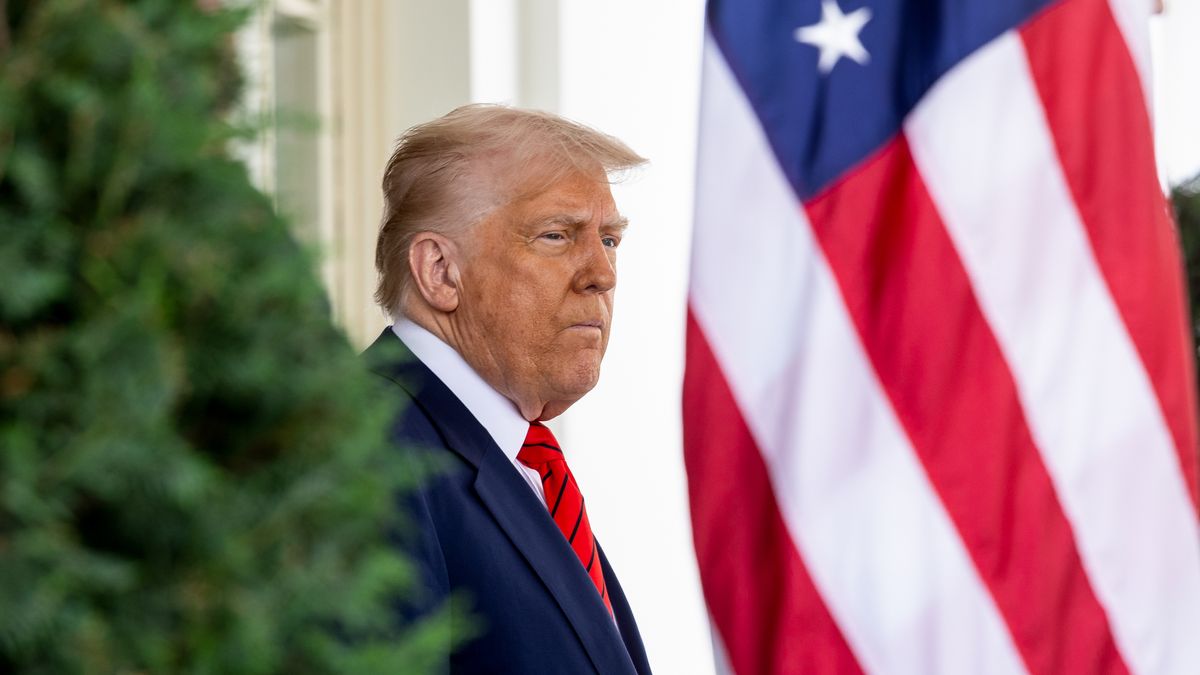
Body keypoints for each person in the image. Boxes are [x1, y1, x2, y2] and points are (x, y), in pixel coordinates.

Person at [363, 104, 652, 674]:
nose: (603, 273)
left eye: (610, 240)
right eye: (556, 235)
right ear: (441, 270)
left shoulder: (519, 457)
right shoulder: (369, 450)